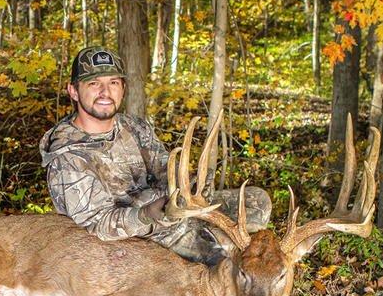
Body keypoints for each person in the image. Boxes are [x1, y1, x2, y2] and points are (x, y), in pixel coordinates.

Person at [39, 46, 271, 266]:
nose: (105, 92)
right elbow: (97, 227)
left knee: (257, 204)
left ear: (123, 89)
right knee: (230, 261)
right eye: (93, 83)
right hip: (130, 241)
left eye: (113, 83)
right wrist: (146, 213)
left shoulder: (132, 126)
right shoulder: (66, 156)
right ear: (74, 91)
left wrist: (189, 185)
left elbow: (163, 168)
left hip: (167, 213)